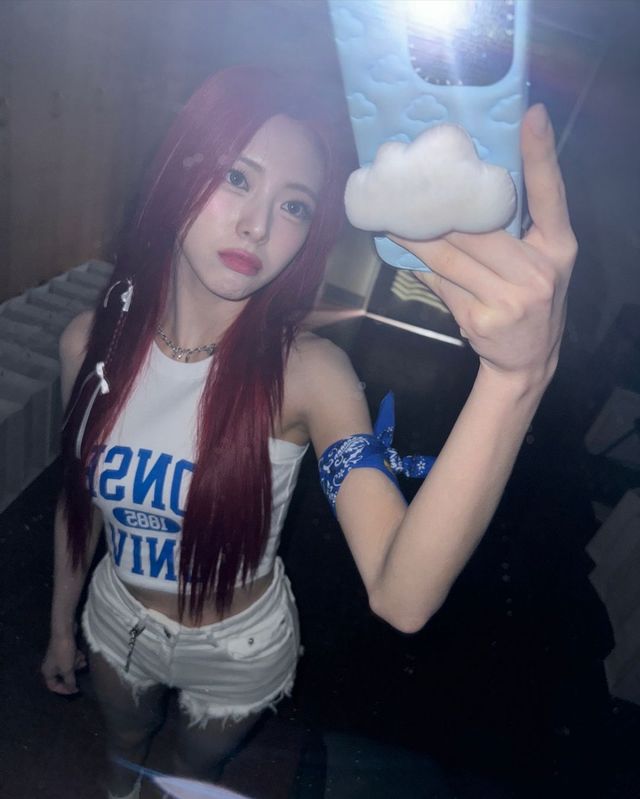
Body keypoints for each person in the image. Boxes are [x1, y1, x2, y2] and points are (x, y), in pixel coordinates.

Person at [41, 65, 577, 799]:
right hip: (117, 620)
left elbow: (401, 593)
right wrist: (60, 622)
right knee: (121, 758)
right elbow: (77, 505)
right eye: (236, 177)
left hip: (237, 647)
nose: (258, 226)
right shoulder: (86, 343)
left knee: (194, 777)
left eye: (293, 205)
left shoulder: (309, 374)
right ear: (181, 169)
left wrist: (516, 379)